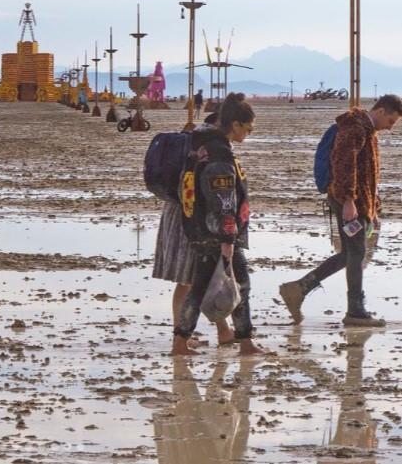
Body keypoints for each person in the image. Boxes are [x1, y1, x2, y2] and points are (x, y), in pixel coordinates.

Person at [280, 94, 402, 327]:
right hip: (347, 200)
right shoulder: (355, 128)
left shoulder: (367, 130)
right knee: (355, 253)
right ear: (381, 111)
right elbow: (344, 164)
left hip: (357, 201)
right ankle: (354, 311)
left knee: (350, 253)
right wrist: (348, 200)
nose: (390, 127)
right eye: (391, 121)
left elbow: (366, 172)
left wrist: (372, 206)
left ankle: (298, 289)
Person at [172, 93, 267, 356]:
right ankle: (245, 342)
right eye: (248, 129)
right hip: (218, 235)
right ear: (235, 124)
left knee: (200, 286)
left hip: (202, 230)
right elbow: (223, 201)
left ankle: (180, 342)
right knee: (242, 284)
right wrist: (228, 239)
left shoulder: (202, 146)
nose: (247, 134)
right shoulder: (219, 155)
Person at [153, 111, 234, 347]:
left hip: (179, 212)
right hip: (188, 216)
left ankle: (220, 330)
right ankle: (182, 335)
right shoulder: (205, 148)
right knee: (189, 279)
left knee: (200, 277)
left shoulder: (192, 142)